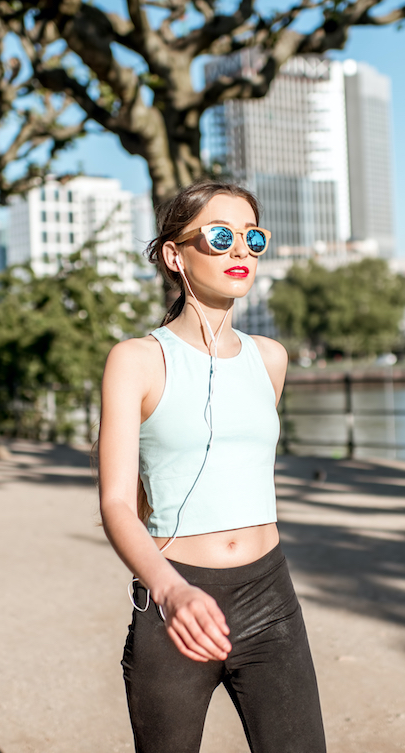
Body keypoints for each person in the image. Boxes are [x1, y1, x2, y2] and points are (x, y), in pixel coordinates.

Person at [97, 181, 326, 753]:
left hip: (270, 596)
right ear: (175, 256)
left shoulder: (269, 359)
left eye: (252, 237)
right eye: (221, 237)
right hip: (177, 599)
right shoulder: (136, 361)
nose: (240, 251)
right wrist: (171, 591)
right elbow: (118, 503)